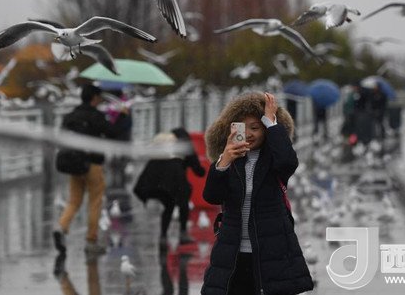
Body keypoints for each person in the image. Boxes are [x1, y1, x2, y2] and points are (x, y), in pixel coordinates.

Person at [201, 92, 313, 295]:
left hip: (271, 252)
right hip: (233, 253)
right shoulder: (229, 159)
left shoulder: (274, 159)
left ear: (265, 130)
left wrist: (271, 122)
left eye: (255, 127)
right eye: (243, 127)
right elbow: (212, 196)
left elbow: (288, 162)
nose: (249, 134)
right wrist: (224, 161)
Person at [53, 84, 130, 256]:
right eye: (99, 97)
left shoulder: (70, 116)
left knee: (74, 201)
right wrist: (123, 115)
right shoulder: (96, 116)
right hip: (92, 164)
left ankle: (61, 227)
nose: (101, 100)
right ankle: (91, 241)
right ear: (94, 98)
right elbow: (113, 132)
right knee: (95, 202)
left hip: (74, 164)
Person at [133, 127, 206, 246]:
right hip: (174, 177)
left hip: (154, 178)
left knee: (169, 205)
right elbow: (197, 168)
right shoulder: (185, 145)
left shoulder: (163, 142)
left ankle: (163, 236)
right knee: (183, 202)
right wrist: (204, 171)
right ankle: (183, 233)